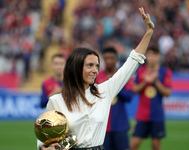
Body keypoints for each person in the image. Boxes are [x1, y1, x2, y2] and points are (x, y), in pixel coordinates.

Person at [37, 7, 155, 150]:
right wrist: (44, 148)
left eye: (97, 66)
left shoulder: (104, 92)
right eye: (90, 65)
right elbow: (44, 136)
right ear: (76, 67)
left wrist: (148, 32)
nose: (95, 70)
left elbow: (132, 62)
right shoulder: (56, 101)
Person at [130, 46, 172, 150]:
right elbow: (133, 90)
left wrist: (155, 81)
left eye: (154, 55)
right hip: (141, 115)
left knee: (156, 146)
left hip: (157, 115)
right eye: (150, 55)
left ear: (159, 57)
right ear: (146, 56)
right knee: (133, 145)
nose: (152, 57)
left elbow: (167, 93)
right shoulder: (140, 71)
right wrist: (145, 81)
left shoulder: (165, 72)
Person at [95, 47, 133, 150]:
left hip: (120, 125)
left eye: (112, 58)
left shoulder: (123, 75)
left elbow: (129, 97)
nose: (109, 61)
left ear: (116, 59)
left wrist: (114, 85)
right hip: (102, 126)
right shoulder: (97, 76)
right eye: (106, 58)